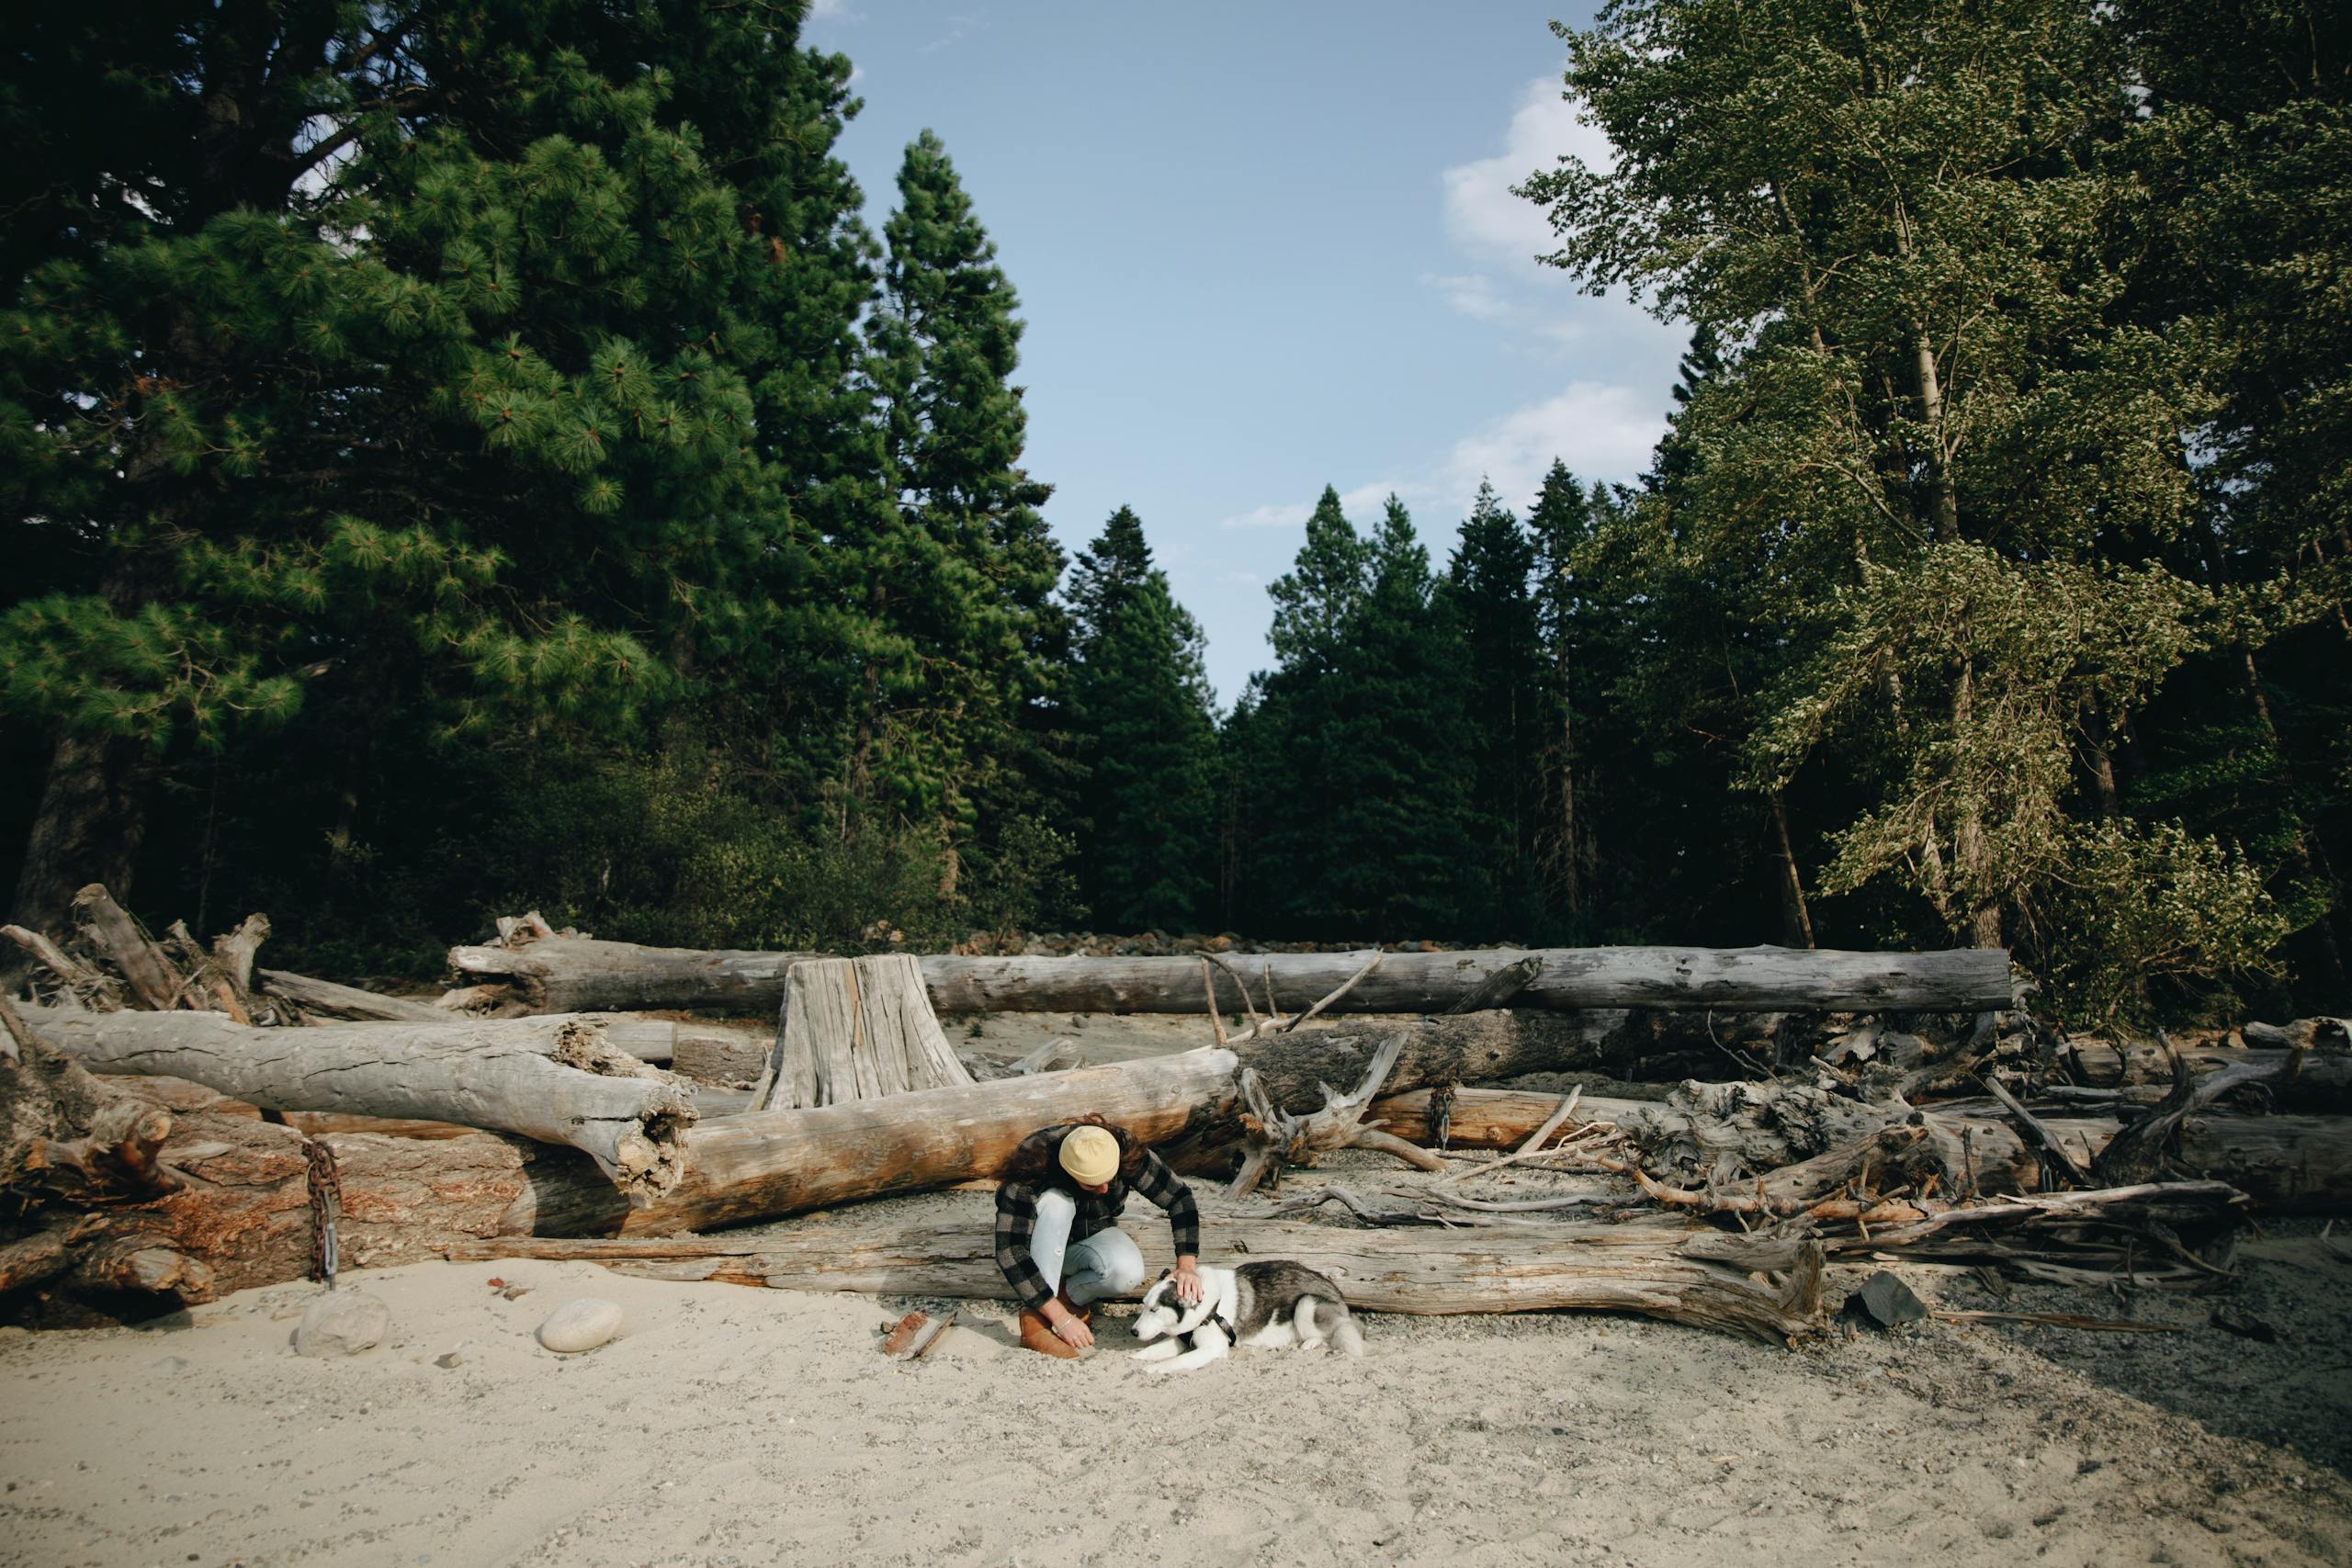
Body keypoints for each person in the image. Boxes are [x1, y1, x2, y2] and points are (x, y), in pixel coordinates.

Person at [993, 1116, 1202, 1358]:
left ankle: (1066, 1297)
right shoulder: (1031, 1163)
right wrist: (1061, 1320)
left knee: (1127, 1272)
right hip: (1042, 1241)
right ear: (1070, 1173)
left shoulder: (1121, 1149)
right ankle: (1039, 1321)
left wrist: (1186, 1264)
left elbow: (1179, 1198)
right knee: (1057, 1203)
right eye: (1092, 1185)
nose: (1104, 1190)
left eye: (1109, 1179)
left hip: (1092, 1236)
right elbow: (1009, 1249)